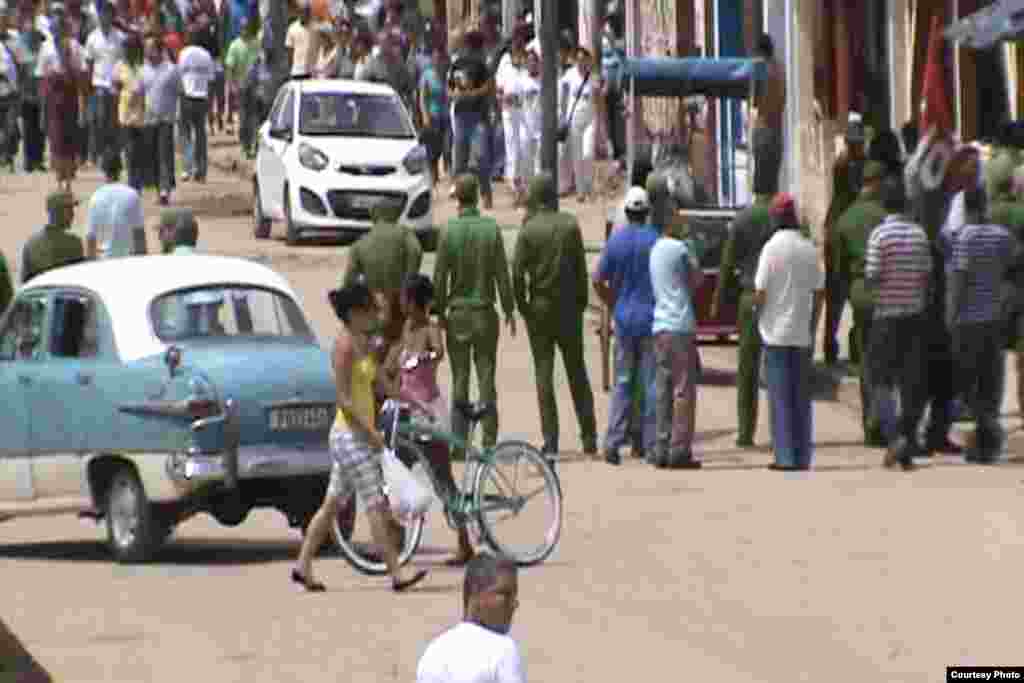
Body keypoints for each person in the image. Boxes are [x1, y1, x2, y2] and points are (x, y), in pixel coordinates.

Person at [292, 280, 429, 593]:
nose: (375, 316)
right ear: (353, 314)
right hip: (350, 436)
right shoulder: (343, 346)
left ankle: (302, 564)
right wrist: (371, 434)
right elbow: (343, 399)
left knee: (331, 506)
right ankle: (397, 573)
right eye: (368, 310)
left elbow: (382, 383)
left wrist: (413, 401)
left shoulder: (362, 342)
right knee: (376, 505)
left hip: (355, 436)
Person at [379, 273, 475, 565]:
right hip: (406, 414)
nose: (402, 304)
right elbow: (394, 359)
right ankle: (395, 544)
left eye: (406, 299)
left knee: (443, 481)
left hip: (429, 415)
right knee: (396, 477)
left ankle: (464, 541)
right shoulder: (405, 328)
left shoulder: (431, 329)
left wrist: (424, 356)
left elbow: (439, 352)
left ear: (415, 301)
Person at [513, 173, 597, 458]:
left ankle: (551, 440)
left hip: (540, 308)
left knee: (544, 374)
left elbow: (517, 275)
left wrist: (523, 306)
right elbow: (580, 269)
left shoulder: (528, 230)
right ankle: (589, 436)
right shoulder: (570, 225)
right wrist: (581, 302)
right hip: (568, 308)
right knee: (577, 372)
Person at [433, 174, 516, 455]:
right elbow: (502, 274)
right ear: (478, 196)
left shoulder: (448, 231)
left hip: (457, 314)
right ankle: (489, 441)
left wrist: (438, 311)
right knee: (486, 378)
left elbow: (439, 277)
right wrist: (509, 309)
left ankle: (459, 443)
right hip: (484, 313)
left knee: (460, 378)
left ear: (458, 199)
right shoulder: (491, 229)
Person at [865, 177, 933, 471]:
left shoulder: (879, 236)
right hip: (915, 317)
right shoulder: (919, 235)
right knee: (911, 383)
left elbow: (872, 275)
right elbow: (927, 278)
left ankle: (895, 437)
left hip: (886, 317)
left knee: (879, 379)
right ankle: (906, 435)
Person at [754, 194, 824, 471]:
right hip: (800, 333)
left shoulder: (771, 249)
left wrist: (755, 314)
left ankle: (785, 457)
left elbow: (760, 291)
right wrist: (813, 323)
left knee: (780, 399)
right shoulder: (808, 248)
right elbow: (820, 292)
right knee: (801, 400)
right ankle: (803, 455)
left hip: (775, 334)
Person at [948, 187, 1015, 463]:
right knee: (991, 383)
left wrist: (951, 315)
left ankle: (986, 438)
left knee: (970, 384)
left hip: (969, 322)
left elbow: (959, 281)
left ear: (967, 208)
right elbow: (1011, 266)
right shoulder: (1002, 236)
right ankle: (987, 443)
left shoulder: (965, 237)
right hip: (995, 320)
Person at [593, 186, 658, 465]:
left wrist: (613, 302)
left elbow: (597, 279)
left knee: (623, 382)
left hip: (623, 319)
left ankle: (613, 442)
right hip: (650, 319)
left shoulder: (616, 241)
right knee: (649, 383)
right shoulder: (655, 241)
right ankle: (648, 442)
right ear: (646, 213)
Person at [710, 183, 775, 447]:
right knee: (777, 367)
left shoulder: (743, 219)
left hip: (749, 298)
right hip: (777, 299)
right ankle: (779, 431)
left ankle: (746, 432)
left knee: (747, 368)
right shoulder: (780, 215)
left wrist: (719, 299)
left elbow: (727, 262)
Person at [649, 186, 704, 470]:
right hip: (680, 325)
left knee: (663, 388)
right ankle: (679, 449)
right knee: (683, 390)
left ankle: (660, 445)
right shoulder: (680, 248)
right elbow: (696, 280)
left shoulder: (655, 249)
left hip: (660, 326)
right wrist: (691, 243)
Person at [833, 160, 888, 445]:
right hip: (887, 291)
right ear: (876, 183)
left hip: (859, 292)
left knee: (866, 359)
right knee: (887, 359)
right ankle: (885, 419)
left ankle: (871, 422)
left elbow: (839, 267)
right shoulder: (885, 215)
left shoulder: (845, 218)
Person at [416, 552, 522, 683]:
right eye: (505, 594)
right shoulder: (504, 649)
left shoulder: (433, 653)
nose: (515, 603)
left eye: (514, 595)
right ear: (475, 594)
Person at [342, 202, 424, 356]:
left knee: (374, 353)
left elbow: (348, 282)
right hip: (400, 303)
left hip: (374, 305)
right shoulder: (405, 234)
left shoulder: (361, 242)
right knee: (399, 349)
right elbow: (416, 251)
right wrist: (409, 281)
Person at [822, 112, 867, 365]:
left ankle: (854, 345)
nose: (856, 147)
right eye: (853, 143)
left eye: (857, 143)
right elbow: (852, 193)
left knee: (851, 292)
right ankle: (830, 344)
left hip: (849, 230)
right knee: (836, 294)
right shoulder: (843, 165)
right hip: (839, 232)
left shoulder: (860, 163)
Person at [988, 156, 1024, 419]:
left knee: (993, 355)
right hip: (1018, 287)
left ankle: (990, 410)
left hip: (992, 291)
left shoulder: (985, 214)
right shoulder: (1020, 212)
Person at [37, 5, 88, 190]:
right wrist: (43, 106)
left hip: (70, 95)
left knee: (69, 137)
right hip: (53, 97)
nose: (56, 29)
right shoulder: (46, 48)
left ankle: (68, 179)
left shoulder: (74, 46)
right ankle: (59, 179)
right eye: (54, 26)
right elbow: (42, 78)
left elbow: (81, 72)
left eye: (60, 26)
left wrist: (82, 101)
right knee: (56, 138)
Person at [448, 26, 495, 209]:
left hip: (477, 116)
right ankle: (463, 198)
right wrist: (454, 95)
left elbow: (489, 86)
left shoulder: (481, 64)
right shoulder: (457, 63)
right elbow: (450, 87)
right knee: (460, 159)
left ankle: (485, 192)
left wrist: (473, 94)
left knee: (481, 156)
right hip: (461, 115)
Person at [83, 0, 124, 181]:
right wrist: (88, 87)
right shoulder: (92, 38)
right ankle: (98, 154)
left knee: (114, 123)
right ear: (99, 16)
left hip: (115, 85)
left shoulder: (120, 37)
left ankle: (113, 155)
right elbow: (89, 63)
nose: (104, 17)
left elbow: (123, 63)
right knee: (98, 121)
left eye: (108, 14)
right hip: (98, 84)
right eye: (102, 14)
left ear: (113, 16)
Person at [140, 35, 180, 204]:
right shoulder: (142, 70)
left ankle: (165, 190)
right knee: (152, 157)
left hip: (166, 119)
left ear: (159, 50)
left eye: (150, 48)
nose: (147, 51)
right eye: (146, 48)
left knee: (165, 155)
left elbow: (180, 91)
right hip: (148, 119)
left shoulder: (171, 70)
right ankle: (158, 188)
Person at [560, 46, 600, 204]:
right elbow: (562, 92)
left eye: (584, 60)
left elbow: (598, 100)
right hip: (574, 120)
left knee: (587, 154)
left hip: (590, 120)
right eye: (579, 59)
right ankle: (580, 191)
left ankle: (589, 186)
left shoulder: (593, 78)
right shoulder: (570, 74)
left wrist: (601, 123)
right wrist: (563, 114)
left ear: (588, 61)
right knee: (577, 156)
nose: (581, 62)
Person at [21, 190, 86, 283]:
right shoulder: (74, 243)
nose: (73, 214)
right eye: (69, 209)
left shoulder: (31, 243)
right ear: (57, 211)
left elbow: (25, 282)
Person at [177, 28, 214, 183]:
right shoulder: (206, 55)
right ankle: (201, 170)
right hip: (202, 97)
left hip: (187, 97)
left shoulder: (184, 53)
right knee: (200, 135)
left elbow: (178, 76)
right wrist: (210, 101)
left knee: (185, 134)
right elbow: (211, 80)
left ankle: (187, 168)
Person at [751, 33, 785, 196]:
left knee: (762, 183)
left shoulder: (761, 68)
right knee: (773, 183)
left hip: (764, 129)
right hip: (777, 132)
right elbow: (782, 100)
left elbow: (755, 101)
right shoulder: (780, 68)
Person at [112, 33, 145, 191]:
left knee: (140, 151)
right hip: (125, 114)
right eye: (125, 49)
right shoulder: (119, 66)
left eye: (130, 49)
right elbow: (115, 87)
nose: (127, 52)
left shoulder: (143, 66)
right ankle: (132, 183)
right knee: (130, 151)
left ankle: (138, 180)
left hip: (142, 114)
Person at [224, 17, 259, 150]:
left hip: (255, 84)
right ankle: (245, 144)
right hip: (241, 85)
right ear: (240, 29)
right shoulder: (235, 45)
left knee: (254, 115)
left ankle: (254, 143)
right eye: (243, 28)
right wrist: (232, 85)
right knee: (244, 115)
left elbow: (259, 60)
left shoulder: (255, 43)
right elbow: (229, 67)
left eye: (247, 28)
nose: (245, 30)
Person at [84, 182, 146, 258]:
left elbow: (90, 239)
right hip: (128, 259)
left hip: (103, 260)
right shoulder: (132, 194)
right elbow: (139, 237)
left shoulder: (96, 196)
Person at [418, 43, 449, 188]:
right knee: (433, 149)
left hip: (447, 117)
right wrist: (425, 116)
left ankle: (448, 173)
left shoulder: (448, 74)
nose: (437, 60)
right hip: (433, 115)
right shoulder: (427, 75)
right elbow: (423, 98)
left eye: (440, 58)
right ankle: (434, 176)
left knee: (447, 147)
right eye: (435, 58)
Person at [16, 26, 46, 173]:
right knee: (28, 131)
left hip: (41, 98)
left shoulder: (44, 55)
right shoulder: (23, 57)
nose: (37, 42)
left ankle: (38, 160)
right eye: (34, 39)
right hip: (27, 97)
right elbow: (20, 78)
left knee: (41, 130)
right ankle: (29, 161)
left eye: (39, 40)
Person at [285, 2, 317, 79]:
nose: (305, 14)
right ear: (298, 12)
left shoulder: (316, 27)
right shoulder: (292, 28)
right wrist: (290, 69)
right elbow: (290, 51)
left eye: (307, 12)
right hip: (297, 71)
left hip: (313, 71)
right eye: (302, 11)